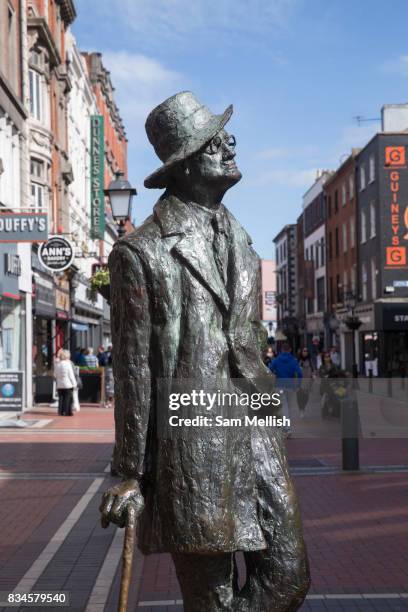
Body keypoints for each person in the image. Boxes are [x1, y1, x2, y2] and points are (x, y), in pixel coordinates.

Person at [99, 92, 310, 611]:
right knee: (211, 594)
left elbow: (248, 346)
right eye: (214, 141)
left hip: (255, 434)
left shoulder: (238, 236)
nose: (229, 144)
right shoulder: (141, 252)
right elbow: (133, 368)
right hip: (191, 442)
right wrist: (130, 469)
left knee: (289, 576)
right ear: (185, 163)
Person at [268, 343, 303, 430]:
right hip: (291, 386)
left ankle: (286, 427)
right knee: (290, 406)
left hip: (279, 386)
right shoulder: (293, 360)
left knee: (283, 406)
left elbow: (269, 370)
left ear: (281, 350)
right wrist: (298, 385)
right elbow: (299, 373)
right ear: (290, 350)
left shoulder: (276, 360)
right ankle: (286, 426)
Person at [54, 349, 77, 416]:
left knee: (61, 399)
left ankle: (60, 411)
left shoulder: (57, 364)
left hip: (59, 384)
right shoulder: (68, 364)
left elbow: (55, 374)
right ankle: (67, 412)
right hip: (67, 384)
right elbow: (71, 375)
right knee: (68, 398)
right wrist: (74, 384)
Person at [297, 347, 314, 418]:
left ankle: (303, 408)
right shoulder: (298, 360)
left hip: (307, 382)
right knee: (299, 396)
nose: (305, 352)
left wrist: (313, 376)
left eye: (306, 351)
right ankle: (301, 409)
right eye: (304, 351)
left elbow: (313, 370)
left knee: (306, 397)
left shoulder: (310, 361)